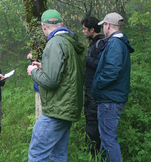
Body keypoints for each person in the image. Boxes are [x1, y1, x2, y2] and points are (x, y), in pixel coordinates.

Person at [27, 9, 85, 161]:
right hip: (68, 107)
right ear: (62, 24)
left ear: (44, 26)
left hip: (56, 109)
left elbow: (51, 82)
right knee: (58, 154)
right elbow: (67, 72)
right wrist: (43, 67)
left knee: (37, 153)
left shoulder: (54, 43)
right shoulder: (69, 42)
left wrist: (33, 71)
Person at [92, 12, 134, 162]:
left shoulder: (115, 43)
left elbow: (112, 71)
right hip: (111, 98)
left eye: (103, 25)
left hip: (110, 99)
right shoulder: (117, 42)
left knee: (109, 139)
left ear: (107, 25)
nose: (103, 28)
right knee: (106, 138)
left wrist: (96, 86)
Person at [81, 17, 105, 155]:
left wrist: (85, 59)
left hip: (95, 89)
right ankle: (90, 149)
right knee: (89, 118)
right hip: (89, 87)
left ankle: (93, 152)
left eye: (85, 29)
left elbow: (100, 64)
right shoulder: (93, 43)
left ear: (92, 29)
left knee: (93, 119)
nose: (83, 31)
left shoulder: (101, 43)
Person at [27, 53, 41, 121]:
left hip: (44, 90)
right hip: (37, 89)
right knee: (38, 118)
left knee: (42, 118)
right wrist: (32, 59)